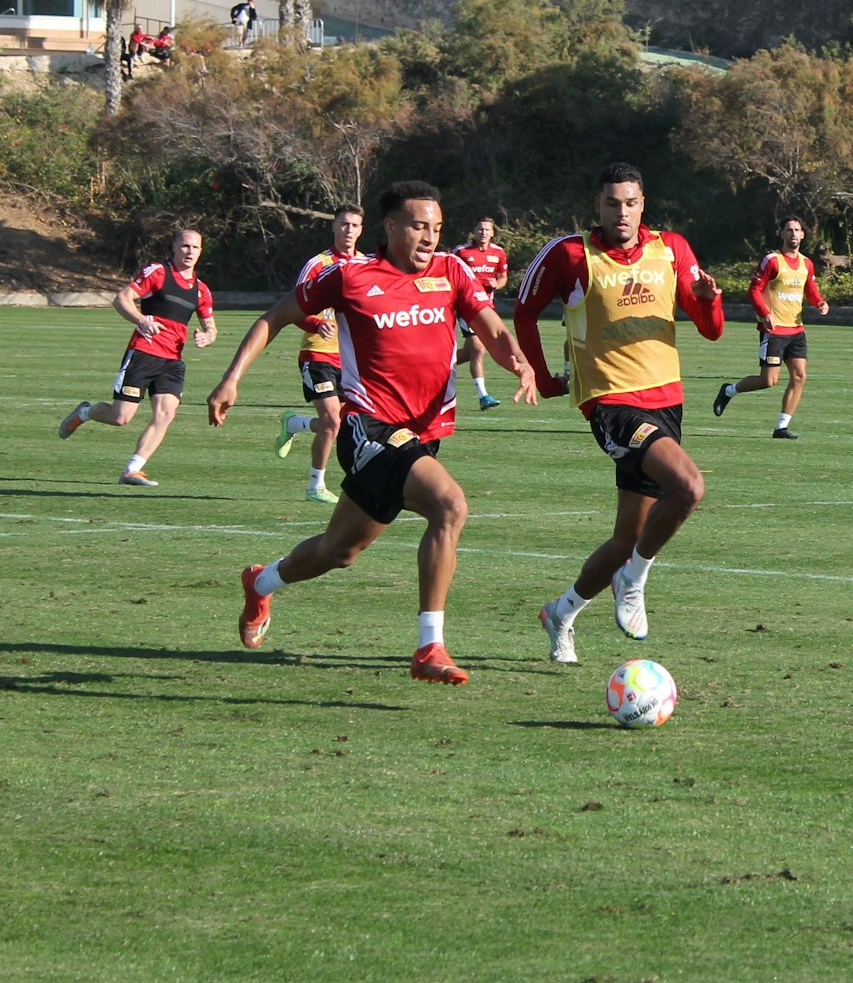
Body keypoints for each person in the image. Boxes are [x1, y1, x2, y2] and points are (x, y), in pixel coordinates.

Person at [207, 181, 539, 685]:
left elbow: (490, 326)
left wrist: (518, 361)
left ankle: (261, 580)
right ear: (390, 226)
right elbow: (274, 318)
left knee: (339, 551)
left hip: (423, 433)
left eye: (437, 228)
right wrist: (231, 378)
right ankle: (430, 647)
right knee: (449, 505)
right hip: (369, 427)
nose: (429, 237)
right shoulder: (351, 277)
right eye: (418, 226)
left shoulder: (452, 271)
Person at [512, 162, 725, 662]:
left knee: (625, 538)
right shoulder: (570, 254)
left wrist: (709, 303)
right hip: (611, 403)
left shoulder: (671, 249)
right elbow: (523, 309)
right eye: (612, 203)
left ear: (643, 203)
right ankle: (634, 579)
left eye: (630, 202)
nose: (621, 212)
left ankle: (560, 613)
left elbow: (710, 329)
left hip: (666, 399)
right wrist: (541, 376)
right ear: (598, 206)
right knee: (689, 486)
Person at [58, 229, 218, 486]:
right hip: (144, 353)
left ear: (201, 252)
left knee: (165, 415)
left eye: (195, 248)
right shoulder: (157, 273)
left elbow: (211, 327)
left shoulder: (201, 290)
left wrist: (207, 337)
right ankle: (85, 413)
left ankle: (132, 470)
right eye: (185, 246)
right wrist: (142, 320)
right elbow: (122, 299)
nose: (190, 252)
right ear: (175, 248)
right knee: (120, 417)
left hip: (172, 361)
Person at [272, 205, 367, 503]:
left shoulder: (367, 265)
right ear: (334, 227)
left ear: (361, 229)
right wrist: (315, 322)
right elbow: (292, 309)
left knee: (344, 424)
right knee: (333, 422)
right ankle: (316, 485)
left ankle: (293, 424)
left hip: (351, 361)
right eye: (343, 224)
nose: (348, 230)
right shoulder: (318, 263)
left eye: (354, 225)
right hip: (317, 357)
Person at [712, 217, 828, 438]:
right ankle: (728, 390)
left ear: (803, 234)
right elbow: (754, 290)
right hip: (774, 331)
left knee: (800, 376)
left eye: (797, 230)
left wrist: (820, 302)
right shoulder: (772, 261)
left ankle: (781, 427)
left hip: (796, 330)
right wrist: (765, 314)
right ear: (782, 234)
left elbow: (810, 289)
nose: (793, 233)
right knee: (769, 380)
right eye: (789, 230)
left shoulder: (806, 264)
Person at [452, 217, 510, 410]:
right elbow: (449, 274)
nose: (483, 232)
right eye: (480, 229)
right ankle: (483, 396)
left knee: (470, 352)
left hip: (486, 308)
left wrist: (497, 284)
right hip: (465, 307)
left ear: (492, 233)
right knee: (478, 348)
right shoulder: (461, 252)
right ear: (474, 231)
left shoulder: (498, 253)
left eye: (487, 230)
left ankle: (436, 366)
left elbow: (502, 277)